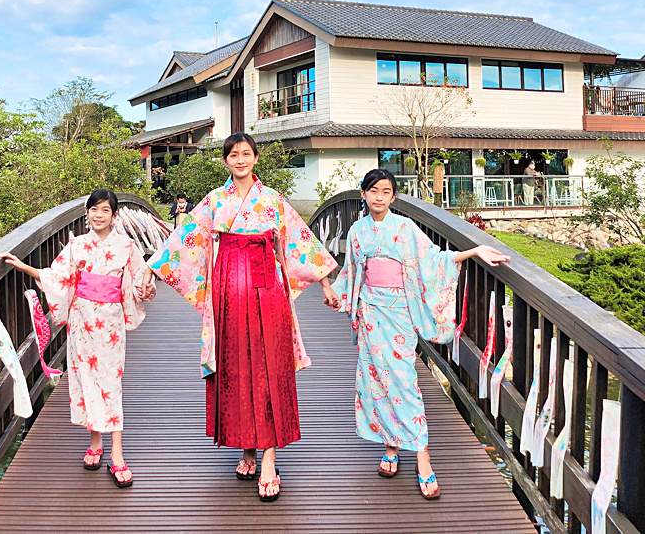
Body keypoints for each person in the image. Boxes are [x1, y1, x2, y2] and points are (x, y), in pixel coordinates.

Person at [148, 132, 339, 502]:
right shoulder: (215, 201)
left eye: (246, 154)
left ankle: (268, 458)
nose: (240, 160)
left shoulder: (272, 200)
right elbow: (183, 239)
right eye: (233, 155)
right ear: (225, 161)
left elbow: (300, 241)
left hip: (268, 291)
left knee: (269, 367)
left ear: (255, 159)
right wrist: (148, 269)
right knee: (235, 368)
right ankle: (246, 448)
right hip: (227, 294)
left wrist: (326, 284)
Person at [326, 169, 509, 499]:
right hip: (370, 312)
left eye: (386, 191)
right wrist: (338, 295)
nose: (379, 197)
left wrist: (474, 251)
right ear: (364, 195)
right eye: (373, 191)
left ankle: (422, 454)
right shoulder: (357, 231)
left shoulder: (405, 228)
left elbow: (434, 259)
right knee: (375, 379)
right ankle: (392, 447)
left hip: (398, 312)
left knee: (403, 379)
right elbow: (352, 273)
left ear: (393, 197)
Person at [1, 189, 156, 488]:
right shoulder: (76, 246)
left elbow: (140, 281)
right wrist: (24, 267)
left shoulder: (126, 246)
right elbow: (58, 278)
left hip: (110, 324)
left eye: (105, 211)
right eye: (94, 210)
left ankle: (118, 453)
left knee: (111, 382)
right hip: (81, 322)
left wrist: (146, 289)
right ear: (87, 213)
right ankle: (95, 441)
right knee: (85, 379)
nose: (98, 215)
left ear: (115, 215)